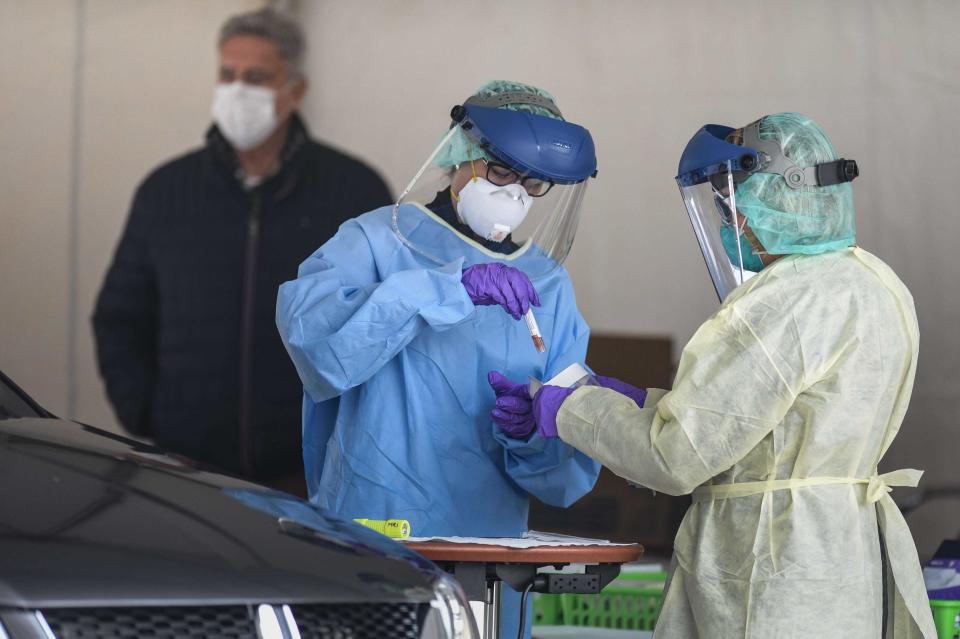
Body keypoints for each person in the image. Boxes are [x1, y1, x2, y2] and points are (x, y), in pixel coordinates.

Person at [491, 113, 937, 638]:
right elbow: (769, 425)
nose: (730, 224)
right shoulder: (873, 284)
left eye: (730, 208)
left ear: (768, 201)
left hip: (769, 563)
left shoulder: (782, 304)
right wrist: (641, 402)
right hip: (840, 556)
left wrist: (567, 408)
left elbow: (676, 457)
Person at [276, 80, 602, 637]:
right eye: (501, 172)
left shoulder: (547, 284)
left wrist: (536, 430)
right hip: (376, 533)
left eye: (533, 183)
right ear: (461, 155)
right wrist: (441, 289)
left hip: (491, 556)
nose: (515, 195)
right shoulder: (378, 241)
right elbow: (318, 348)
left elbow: (566, 469)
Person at [92, 8, 391, 494]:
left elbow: (382, 326)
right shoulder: (167, 191)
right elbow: (120, 316)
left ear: (295, 90)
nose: (237, 91)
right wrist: (147, 414)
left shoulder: (353, 191)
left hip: (311, 475)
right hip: (186, 471)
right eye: (227, 75)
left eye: (256, 77)